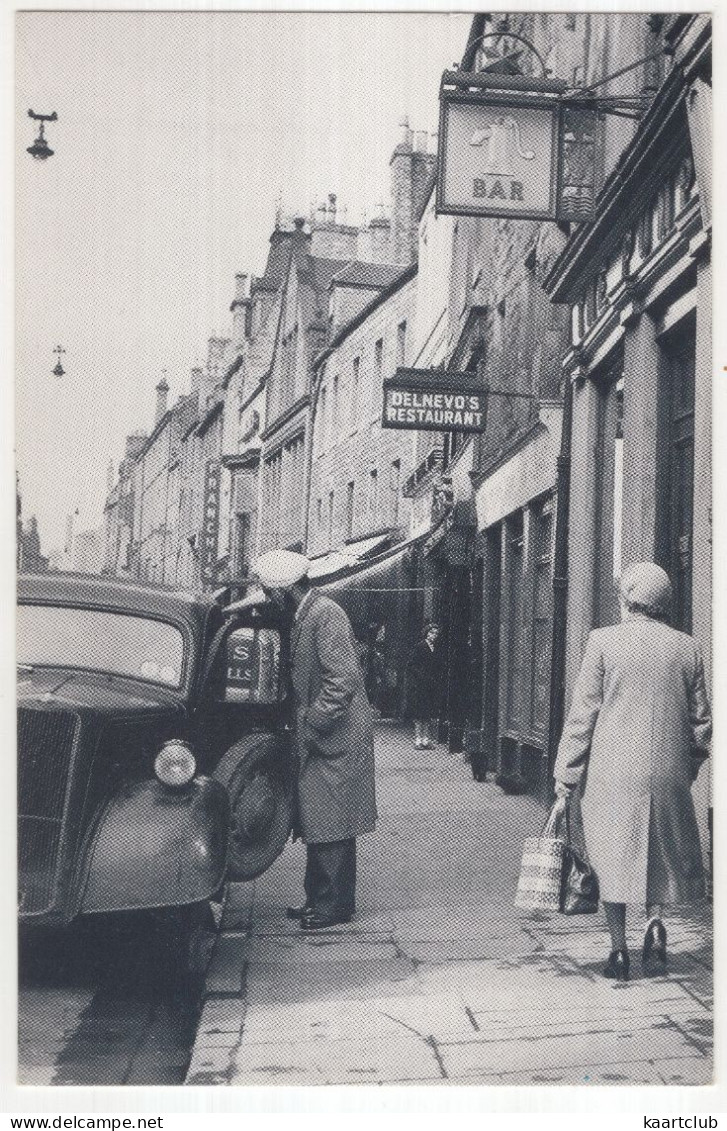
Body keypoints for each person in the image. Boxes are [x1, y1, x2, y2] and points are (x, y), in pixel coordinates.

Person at [553, 562, 712, 982]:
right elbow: (702, 725)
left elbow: (583, 714)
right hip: (668, 772)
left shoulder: (603, 642)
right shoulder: (687, 647)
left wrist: (566, 773)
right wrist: (686, 769)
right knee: (659, 854)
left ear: (626, 599)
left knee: (613, 858)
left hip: (612, 773)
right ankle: (656, 924)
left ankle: (619, 952)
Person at [254, 549, 377, 931]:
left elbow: (343, 681)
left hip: (335, 738)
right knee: (322, 819)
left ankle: (332, 907)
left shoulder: (326, 615)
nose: (269, 600)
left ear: (285, 591)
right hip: (327, 738)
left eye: (270, 593)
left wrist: (311, 723)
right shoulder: (308, 614)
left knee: (331, 821)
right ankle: (322, 899)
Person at [407, 622, 443, 749]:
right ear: (426, 633)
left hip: (431, 684)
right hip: (420, 684)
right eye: (431, 632)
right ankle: (418, 739)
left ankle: (426, 739)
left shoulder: (436, 648)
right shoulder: (420, 646)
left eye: (436, 633)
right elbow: (411, 664)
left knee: (427, 712)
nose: (434, 635)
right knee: (419, 712)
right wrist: (420, 676)